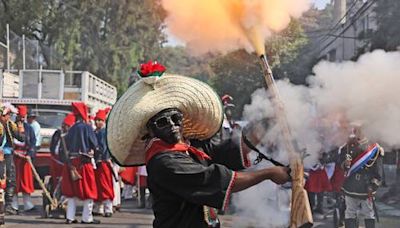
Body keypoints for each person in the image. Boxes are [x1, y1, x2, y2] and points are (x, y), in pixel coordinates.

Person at [106, 61, 290, 227]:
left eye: (175, 118)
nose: (172, 125)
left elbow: (232, 150)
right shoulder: (163, 161)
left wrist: (269, 120)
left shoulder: (191, 145)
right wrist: (269, 173)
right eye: (162, 122)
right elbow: (214, 179)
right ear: (150, 132)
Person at [61, 102, 100, 224]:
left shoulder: (71, 128)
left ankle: (70, 217)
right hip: (84, 162)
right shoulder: (87, 127)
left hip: (71, 163)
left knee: (72, 192)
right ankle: (87, 218)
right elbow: (95, 145)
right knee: (89, 190)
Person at [339, 123, 384, 228]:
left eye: (361, 129)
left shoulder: (374, 148)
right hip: (351, 185)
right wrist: (345, 164)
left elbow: (378, 172)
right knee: (350, 212)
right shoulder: (348, 146)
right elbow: (341, 164)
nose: (357, 132)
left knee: (368, 213)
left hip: (366, 186)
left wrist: (372, 186)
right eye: (357, 129)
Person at [0, 103, 24, 215]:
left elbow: (21, 138)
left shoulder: (10, 124)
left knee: (10, 179)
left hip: (7, 154)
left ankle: (8, 205)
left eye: (9, 114)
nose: (8, 117)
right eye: (6, 115)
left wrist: (20, 128)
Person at [12, 105, 37, 212]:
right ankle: (14, 204)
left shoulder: (29, 128)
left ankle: (27, 203)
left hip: (25, 159)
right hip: (13, 159)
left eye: (23, 117)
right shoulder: (10, 126)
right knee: (13, 181)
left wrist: (29, 154)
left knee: (26, 181)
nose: (21, 119)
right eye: (19, 117)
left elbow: (33, 143)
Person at [94, 109, 114, 217]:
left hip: (103, 161)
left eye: (99, 120)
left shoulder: (103, 132)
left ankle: (108, 208)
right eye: (96, 120)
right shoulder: (96, 132)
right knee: (98, 185)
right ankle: (100, 208)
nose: (97, 122)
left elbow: (103, 147)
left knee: (105, 185)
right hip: (98, 162)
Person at [49, 112, 75, 189]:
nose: (64, 127)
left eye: (67, 125)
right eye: (64, 124)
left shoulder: (71, 135)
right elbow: (53, 144)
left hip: (64, 161)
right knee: (55, 179)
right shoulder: (57, 133)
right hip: (55, 160)